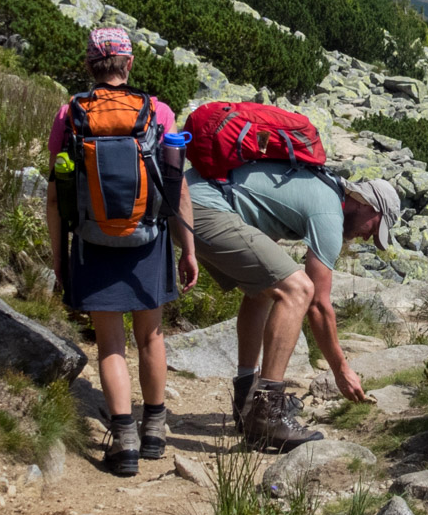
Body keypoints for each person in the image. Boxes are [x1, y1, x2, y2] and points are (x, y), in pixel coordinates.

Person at [48, 28, 198, 477]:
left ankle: (124, 438)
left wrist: (59, 258)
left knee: (110, 342)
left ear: (90, 65)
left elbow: (56, 196)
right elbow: (176, 189)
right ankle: (155, 429)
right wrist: (187, 247)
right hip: (148, 238)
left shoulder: (70, 113)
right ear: (128, 65)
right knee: (150, 336)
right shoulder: (158, 112)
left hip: (91, 239)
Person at [185, 150, 402, 451]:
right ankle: (268, 413)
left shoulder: (317, 185)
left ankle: (247, 399)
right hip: (201, 206)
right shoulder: (329, 211)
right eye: (374, 228)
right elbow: (318, 305)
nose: (368, 238)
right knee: (298, 290)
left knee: (263, 287)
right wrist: (341, 371)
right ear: (365, 205)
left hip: (192, 196)